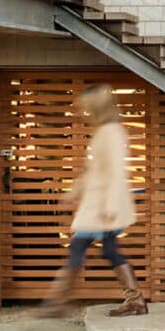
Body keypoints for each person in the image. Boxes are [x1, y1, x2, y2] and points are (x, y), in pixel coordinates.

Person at [41, 83, 147, 318]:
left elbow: (116, 170)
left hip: (103, 206)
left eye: (87, 107)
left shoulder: (111, 133)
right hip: (99, 204)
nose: (84, 111)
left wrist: (109, 205)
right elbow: (93, 171)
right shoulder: (105, 131)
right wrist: (74, 191)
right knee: (110, 251)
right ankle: (136, 301)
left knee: (78, 246)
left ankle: (56, 302)